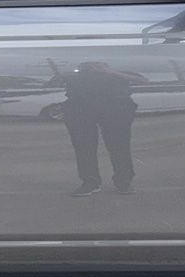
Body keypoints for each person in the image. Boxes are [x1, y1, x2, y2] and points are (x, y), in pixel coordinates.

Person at [60, 61, 141, 195]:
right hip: (80, 110)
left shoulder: (118, 74)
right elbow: (53, 83)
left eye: (97, 66)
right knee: (84, 147)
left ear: (106, 66)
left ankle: (124, 182)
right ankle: (90, 183)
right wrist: (67, 74)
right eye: (88, 66)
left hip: (115, 110)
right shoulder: (74, 76)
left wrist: (111, 72)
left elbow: (143, 81)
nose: (93, 69)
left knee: (119, 146)